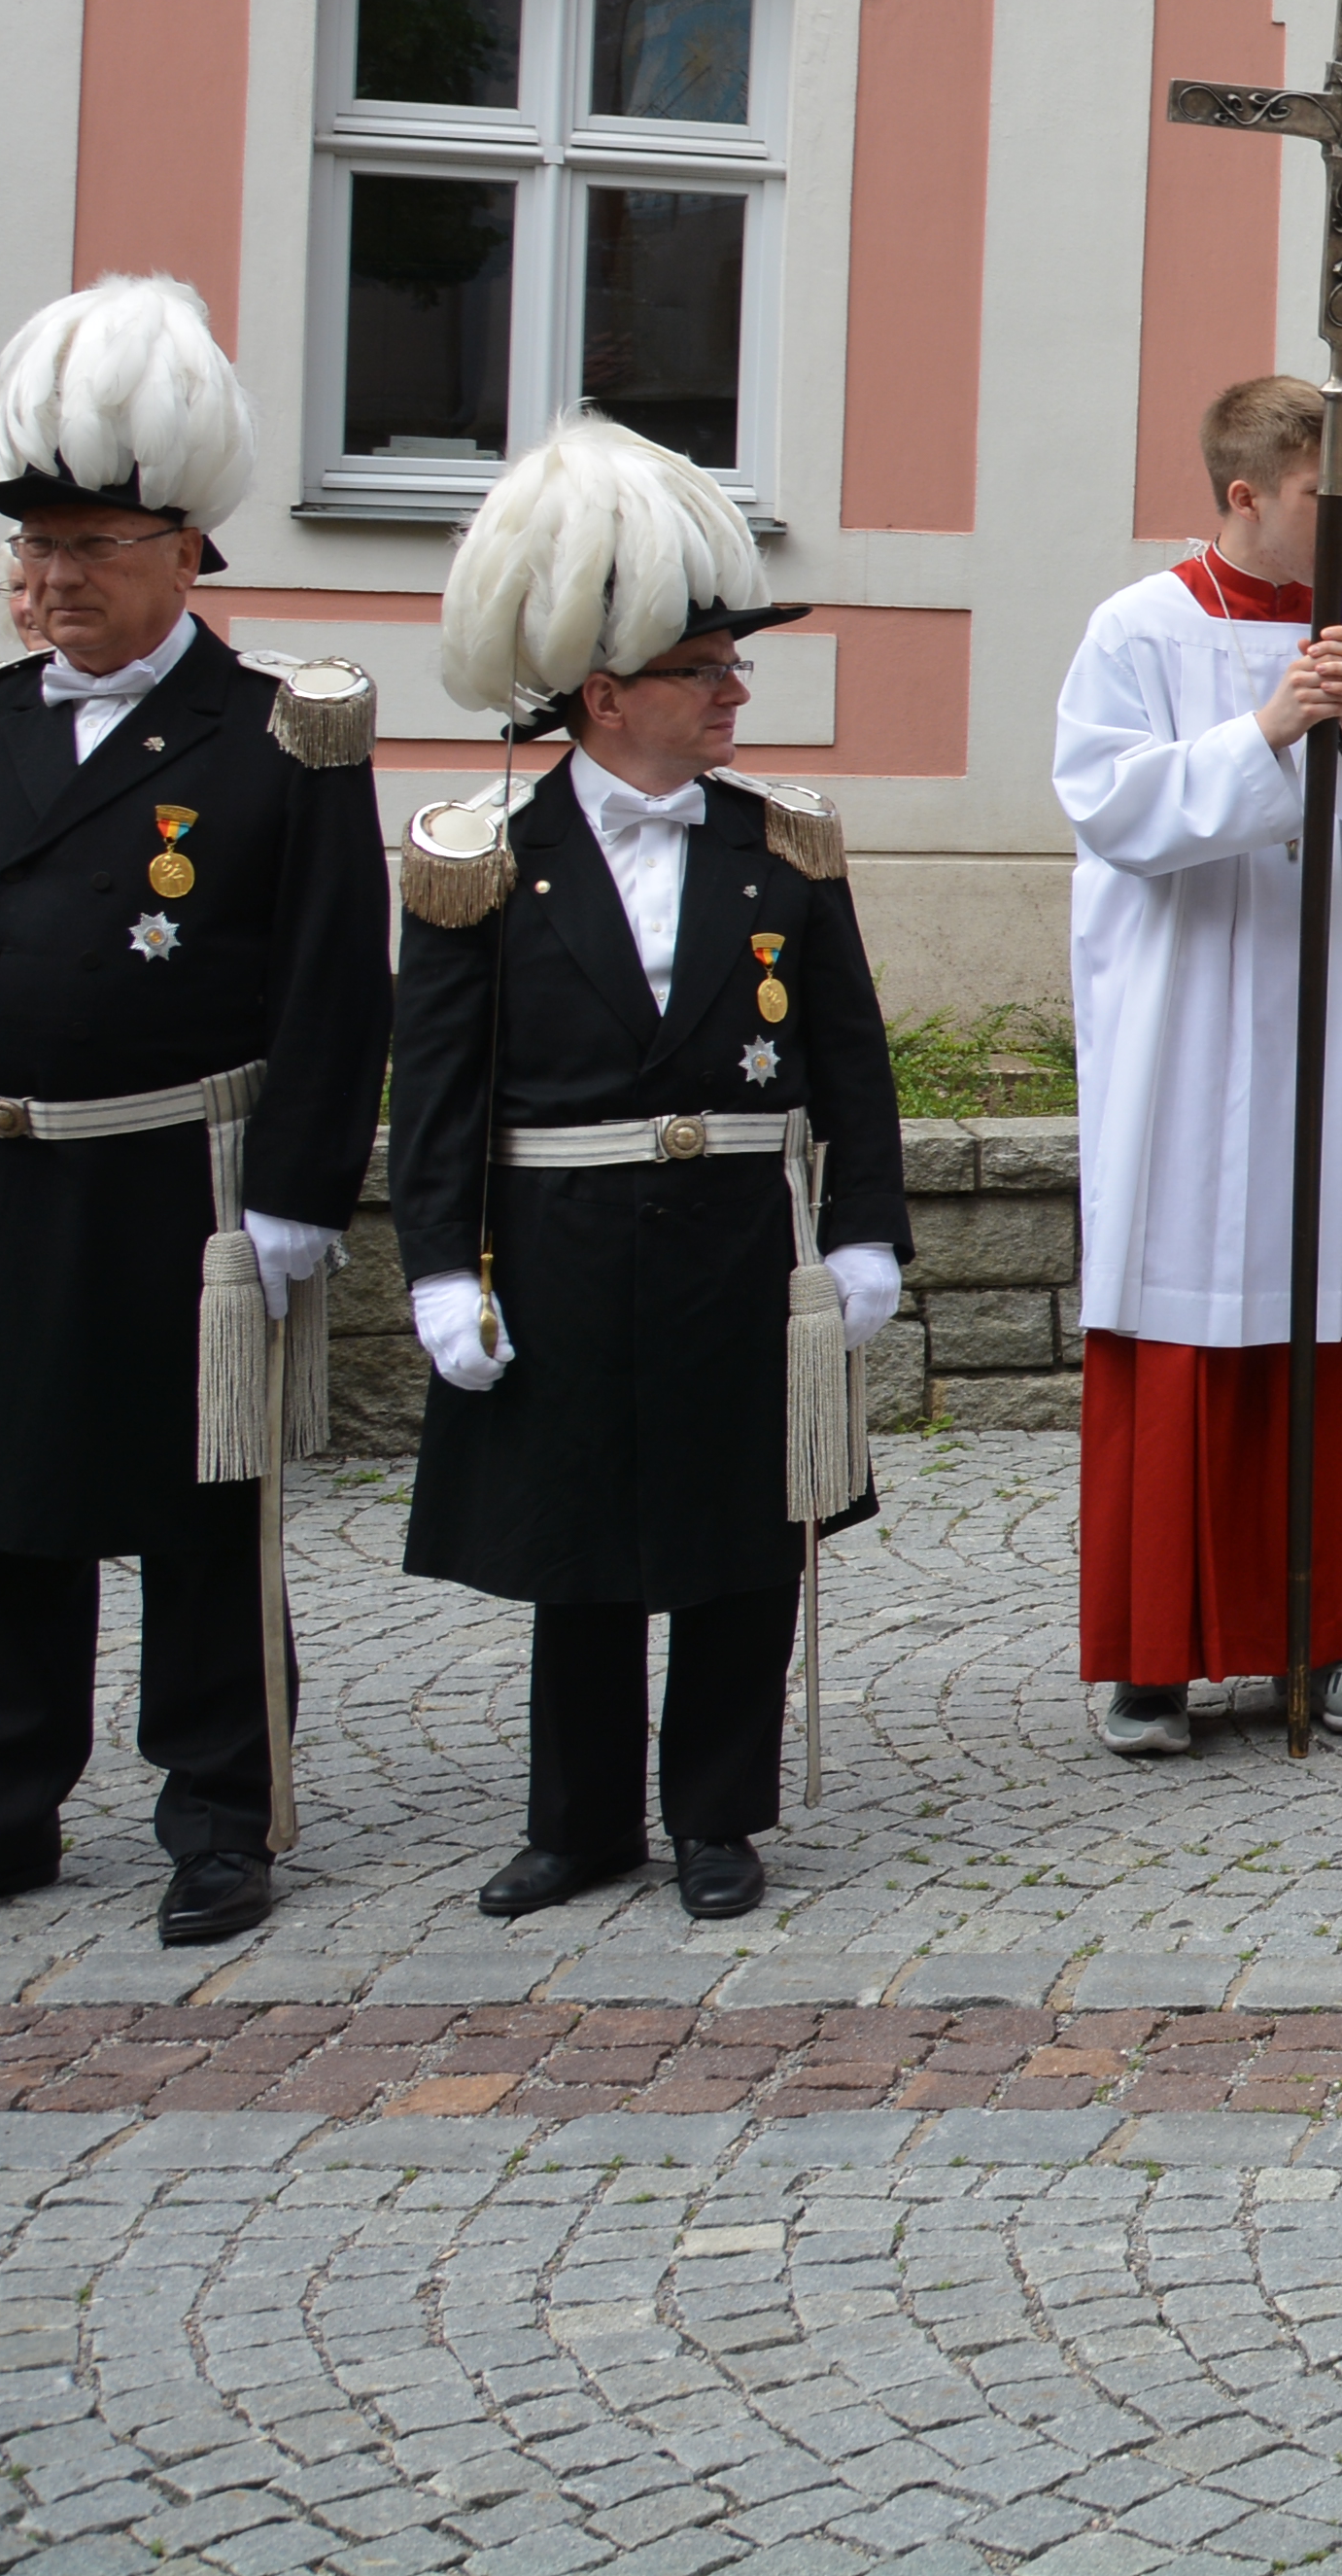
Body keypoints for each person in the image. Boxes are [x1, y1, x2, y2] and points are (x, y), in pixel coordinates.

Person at [392, 414, 905, 1921]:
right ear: (608, 695)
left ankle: (719, 1818)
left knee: (744, 1538)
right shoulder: (482, 858)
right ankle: (581, 1822)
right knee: (579, 1542)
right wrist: (437, 1267)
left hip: (736, 1242)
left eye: (734, 667)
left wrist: (866, 1232)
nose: (736, 689)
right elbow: (437, 1089)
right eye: (705, 670)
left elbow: (852, 1067)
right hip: (556, 1238)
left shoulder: (783, 847)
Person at [0, 277, 383, 1946]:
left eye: (90, 549)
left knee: (206, 1510)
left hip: (183, 1183)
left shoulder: (281, 740)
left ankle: (221, 1806)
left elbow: (336, 991)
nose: (51, 580)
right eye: (35, 549)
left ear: (185, 551)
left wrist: (294, 1200)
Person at [1052, 378, 1342, 1757]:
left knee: (1332, 1311)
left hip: (1328, 1023)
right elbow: (1111, 803)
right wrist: (1265, 733)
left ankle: (1338, 1633)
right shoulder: (1136, 628)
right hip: (1185, 1025)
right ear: (1245, 495)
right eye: (1322, 497)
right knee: (1183, 1319)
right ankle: (1156, 1653)